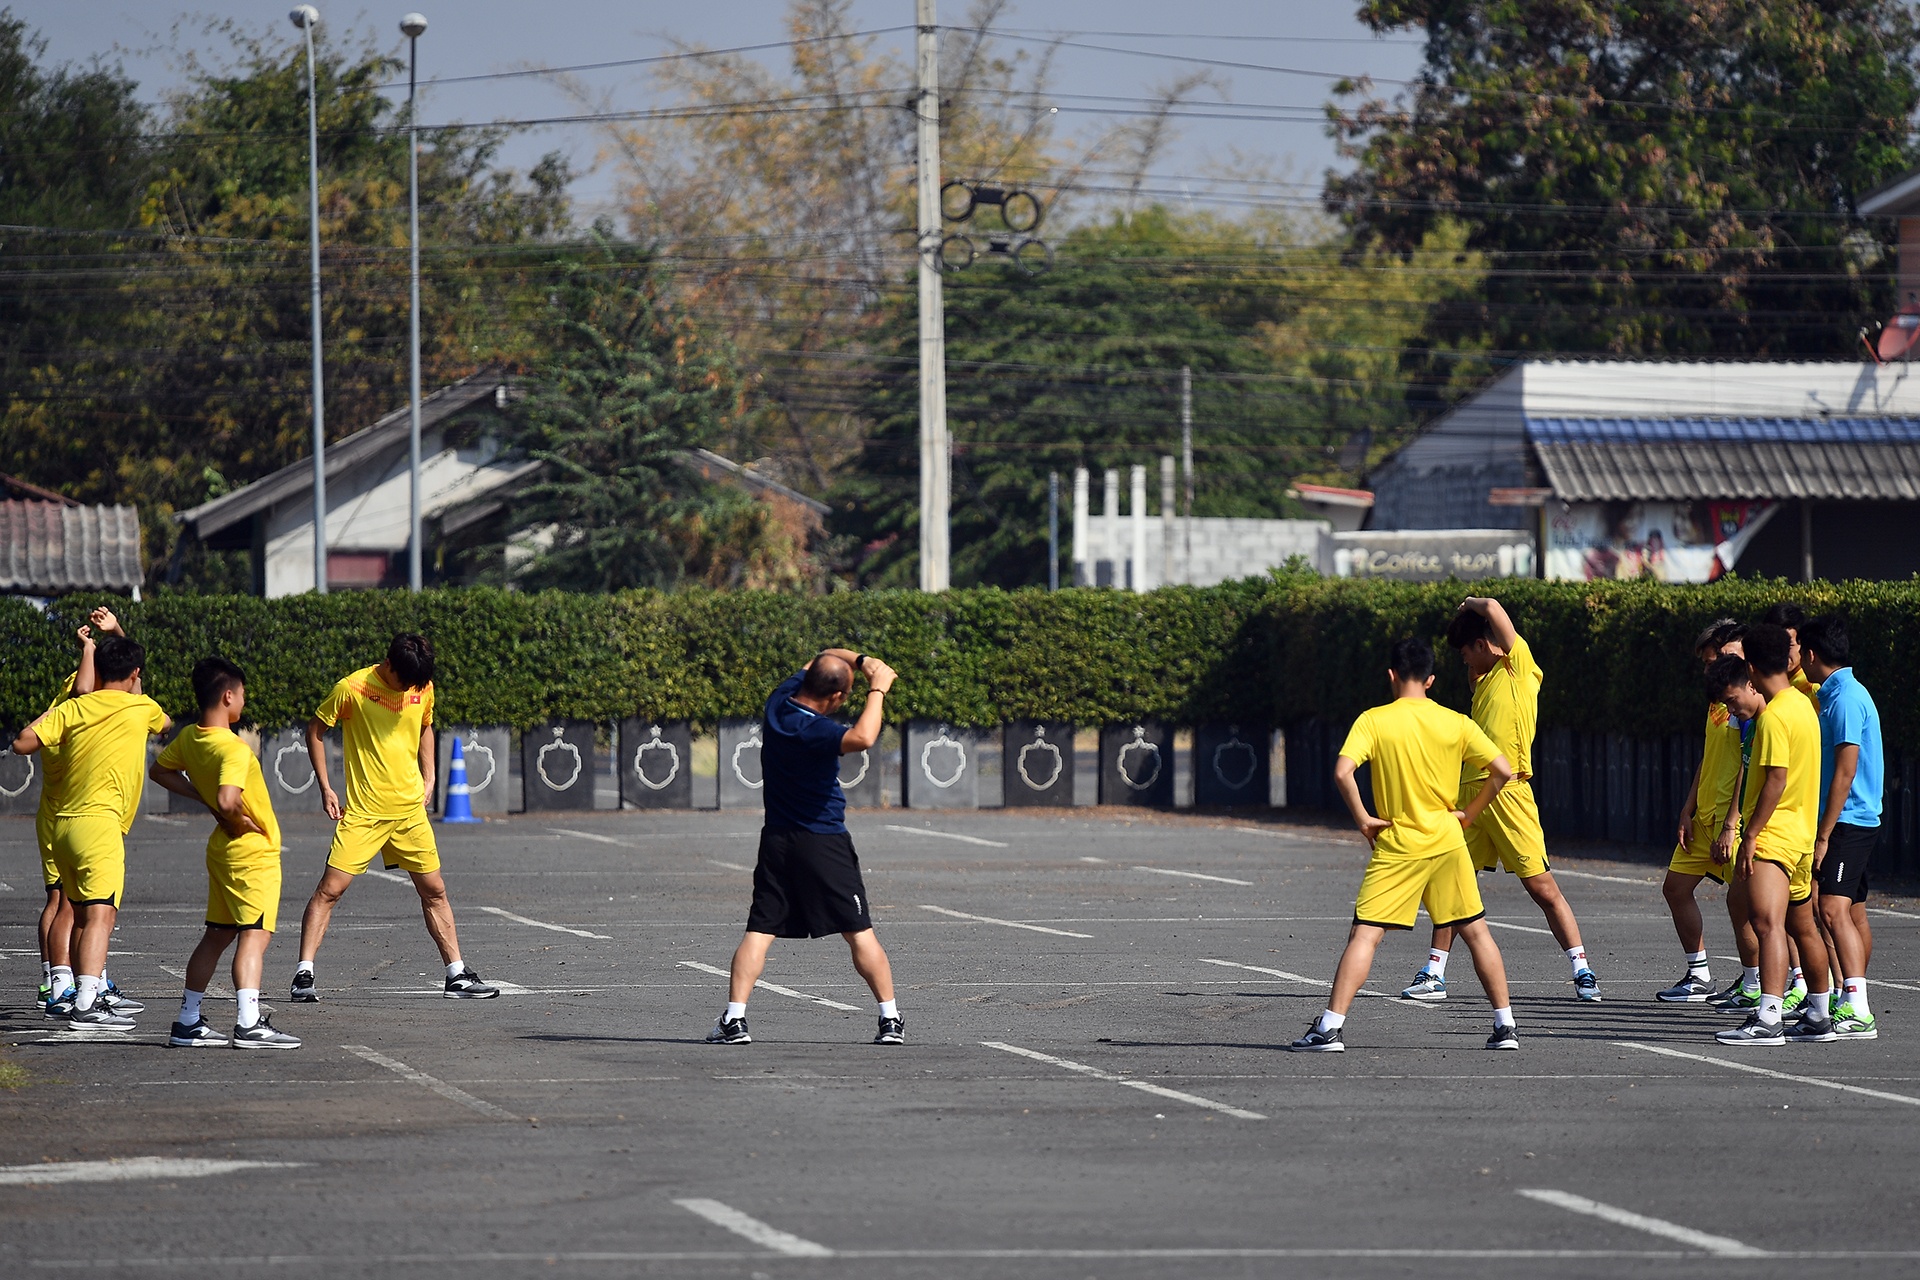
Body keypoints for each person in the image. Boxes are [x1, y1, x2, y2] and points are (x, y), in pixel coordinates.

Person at [1292, 637, 1520, 1053]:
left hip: (1399, 843)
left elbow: (1344, 773)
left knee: (1365, 935)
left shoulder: (1375, 720)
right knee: (1476, 932)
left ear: (1392, 675)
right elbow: (1503, 770)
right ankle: (1505, 1027)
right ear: (1431, 679)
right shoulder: (1456, 722)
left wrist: (1363, 819)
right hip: (1448, 841)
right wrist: (1467, 815)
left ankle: (1329, 1028)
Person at [1400, 598, 1599, 1004]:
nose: (1462, 661)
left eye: (1465, 651)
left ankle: (1583, 971)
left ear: (1484, 644)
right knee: (1452, 883)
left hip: (1509, 794)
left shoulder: (1518, 667)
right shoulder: (1481, 679)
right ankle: (1433, 972)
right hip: (1469, 793)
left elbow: (1491, 606)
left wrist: (1468, 605)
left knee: (1542, 888)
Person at [708, 649, 903, 1046]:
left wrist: (860, 659)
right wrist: (877, 688)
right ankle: (890, 1019)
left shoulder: (778, 704)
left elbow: (822, 655)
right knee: (858, 931)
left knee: (760, 930)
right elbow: (864, 737)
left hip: (778, 840)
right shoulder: (820, 731)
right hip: (824, 841)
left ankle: (734, 1019)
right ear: (836, 698)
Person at [288, 634, 497, 1002]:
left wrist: (429, 776)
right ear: (388, 666)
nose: (411, 690)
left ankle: (456, 975)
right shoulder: (351, 688)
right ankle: (303, 975)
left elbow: (425, 727)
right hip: (365, 812)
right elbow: (315, 731)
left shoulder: (422, 686)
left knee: (434, 891)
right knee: (330, 890)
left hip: (409, 813)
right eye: (406, 683)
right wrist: (326, 787)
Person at [11, 636, 170, 1032]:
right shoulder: (141, 707)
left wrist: (55, 712)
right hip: (100, 827)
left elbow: (21, 743)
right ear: (135, 674)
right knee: (101, 915)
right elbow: (166, 724)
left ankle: (82, 993)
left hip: (62, 825)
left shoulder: (73, 708)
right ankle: (86, 1002)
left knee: (80, 914)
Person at [149, 658, 301, 1050]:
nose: (243, 704)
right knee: (255, 935)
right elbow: (227, 797)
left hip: (221, 850)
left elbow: (160, 772)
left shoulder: (189, 738)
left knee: (217, 934)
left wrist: (202, 797)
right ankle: (249, 1023)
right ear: (228, 695)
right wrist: (233, 818)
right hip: (251, 851)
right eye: (243, 696)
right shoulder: (233, 749)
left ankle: (188, 1020)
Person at [1708, 625, 1834, 1046]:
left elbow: (1775, 781)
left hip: (1774, 837)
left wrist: (1750, 835)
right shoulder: (1803, 704)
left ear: (1751, 668)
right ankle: (1819, 1012)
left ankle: (1768, 1018)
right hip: (1800, 836)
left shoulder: (1776, 715)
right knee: (1803, 928)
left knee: (1766, 925)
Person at [29, 607, 130, 1017]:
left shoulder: (85, 697)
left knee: (77, 905)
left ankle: (74, 983)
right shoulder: (81, 701)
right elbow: (116, 685)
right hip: (69, 813)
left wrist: (113, 634)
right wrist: (91, 647)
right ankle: (62, 987)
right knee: (68, 904)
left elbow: (128, 669)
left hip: (71, 813)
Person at [1657, 620, 1751, 1002]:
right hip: (1704, 815)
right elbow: (1709, 755)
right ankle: (1698, 976)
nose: (1709, 669)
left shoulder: (1752, 696)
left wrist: (1732, 822)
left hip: (1733, 822)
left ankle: (1760, 983)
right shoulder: (1719, 699)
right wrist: (1687, 808)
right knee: (1675, 888)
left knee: (1749, 905)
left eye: (1714, 660)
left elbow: (1750, 763)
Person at [1799, 615, 1882, 1040]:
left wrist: (1823, 835)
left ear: (1812, 654)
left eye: (1801, 653)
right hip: (1849, 820)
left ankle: (1859, 1009)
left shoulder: (1846, 698)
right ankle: (1848, 1000)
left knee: (1830, 909)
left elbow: (1845, 773)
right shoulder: (1835, 693)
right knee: (1845, 910)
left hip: (1848, 821)